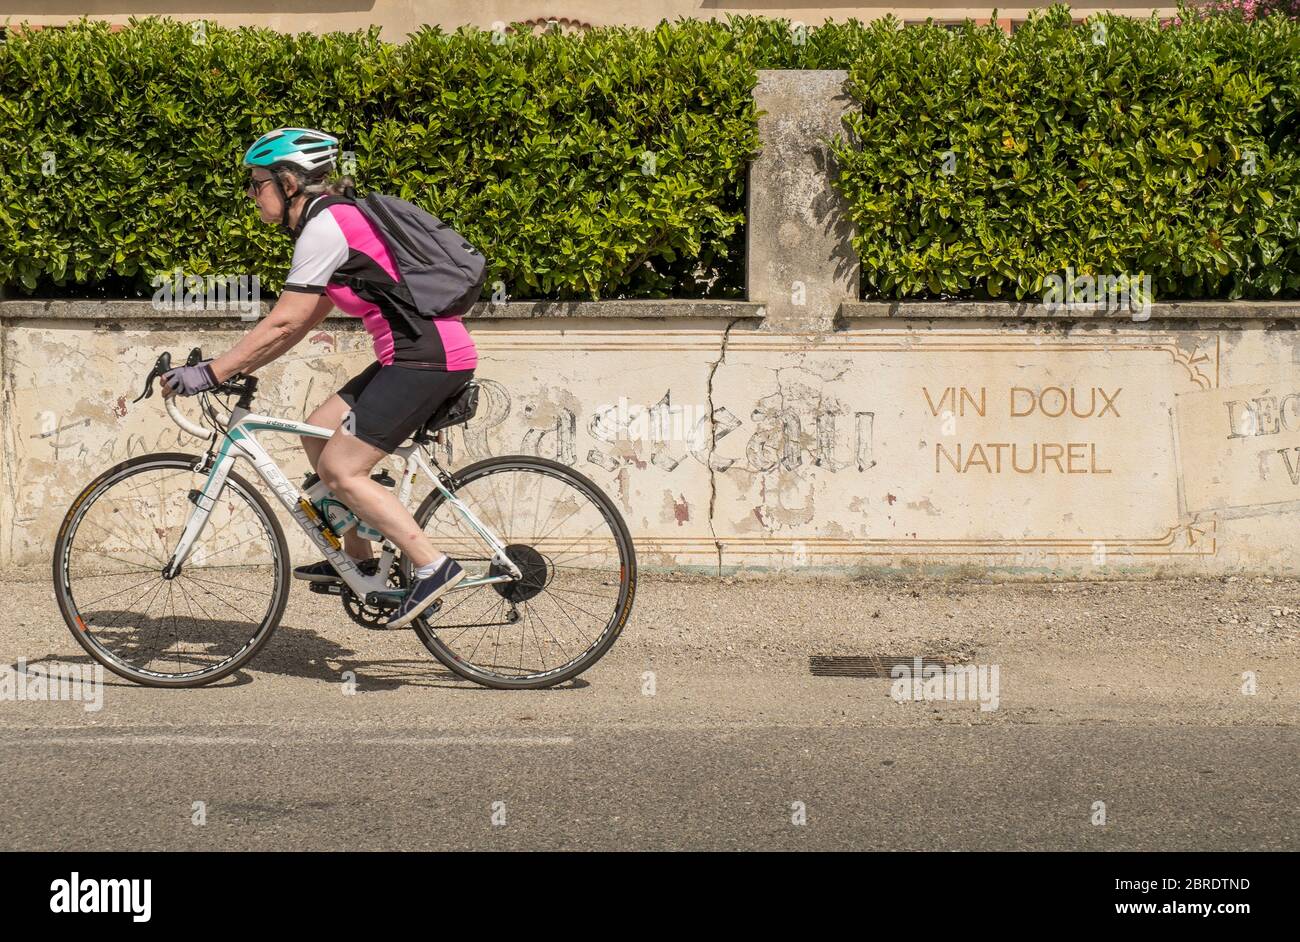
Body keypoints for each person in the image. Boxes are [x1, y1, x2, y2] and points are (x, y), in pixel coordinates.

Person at [160, 127, 473, 628]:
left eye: (256, 182)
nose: (250, 193)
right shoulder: (331, 225)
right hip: (412, 355)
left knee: (343, 470)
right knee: (319, 431)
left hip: (427, 358)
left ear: (288, 182)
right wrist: (237, 368)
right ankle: (362, 560)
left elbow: (284, 320)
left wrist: (211, 372)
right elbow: (301, 322)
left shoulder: (328, 226)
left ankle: (433, 565)